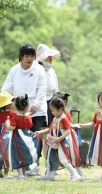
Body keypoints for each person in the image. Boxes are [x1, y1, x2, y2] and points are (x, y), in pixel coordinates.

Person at [1, 44, 47, 175]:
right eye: (27, 56)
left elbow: (42, 89)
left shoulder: (39, 69)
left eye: (32, 56)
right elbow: (6, 88)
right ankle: (24, 166)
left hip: (36, 110)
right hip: (20, 110)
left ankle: (34, 165)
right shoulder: (15, 69)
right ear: (21, 56)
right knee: (20, 139)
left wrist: (35, 105)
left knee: (35, 137)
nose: (29, 59)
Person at [36, 97, 81, 182]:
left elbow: (68, 131)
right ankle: (49, 175)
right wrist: (40, 132)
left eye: (53, 110)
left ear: (60, 110)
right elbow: (50, 129)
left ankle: (75, 175)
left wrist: (60, 138)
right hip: (53, 142)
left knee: (64, 159)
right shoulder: (55, 118)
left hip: (61, 143)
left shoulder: (63, 118)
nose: (52, 113)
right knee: (50, 158)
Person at [4, 94, 41, 180]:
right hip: (27, 138)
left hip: (17, 140)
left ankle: (20, 175)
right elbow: (30, 125)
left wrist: (7, 124)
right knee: (24, 156)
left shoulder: (15, 117)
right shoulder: (28, 117)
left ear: (16, 106)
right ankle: (24, 173)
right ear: (27, 107)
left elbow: (11, 128)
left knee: (17, 156)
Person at [36, 43, 60, 128]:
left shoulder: (51, 71)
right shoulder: (36, 70)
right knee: (40, 129)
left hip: (51, 103)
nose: (51, 58)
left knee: (51, 128)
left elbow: (55, 89)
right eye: (48, 56)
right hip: (39, 103)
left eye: (51, 56)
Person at [0, 91, 17, 179]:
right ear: (8, 104)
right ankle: (6, 173)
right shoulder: (13, 114)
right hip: (8, 139)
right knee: (7, 155)